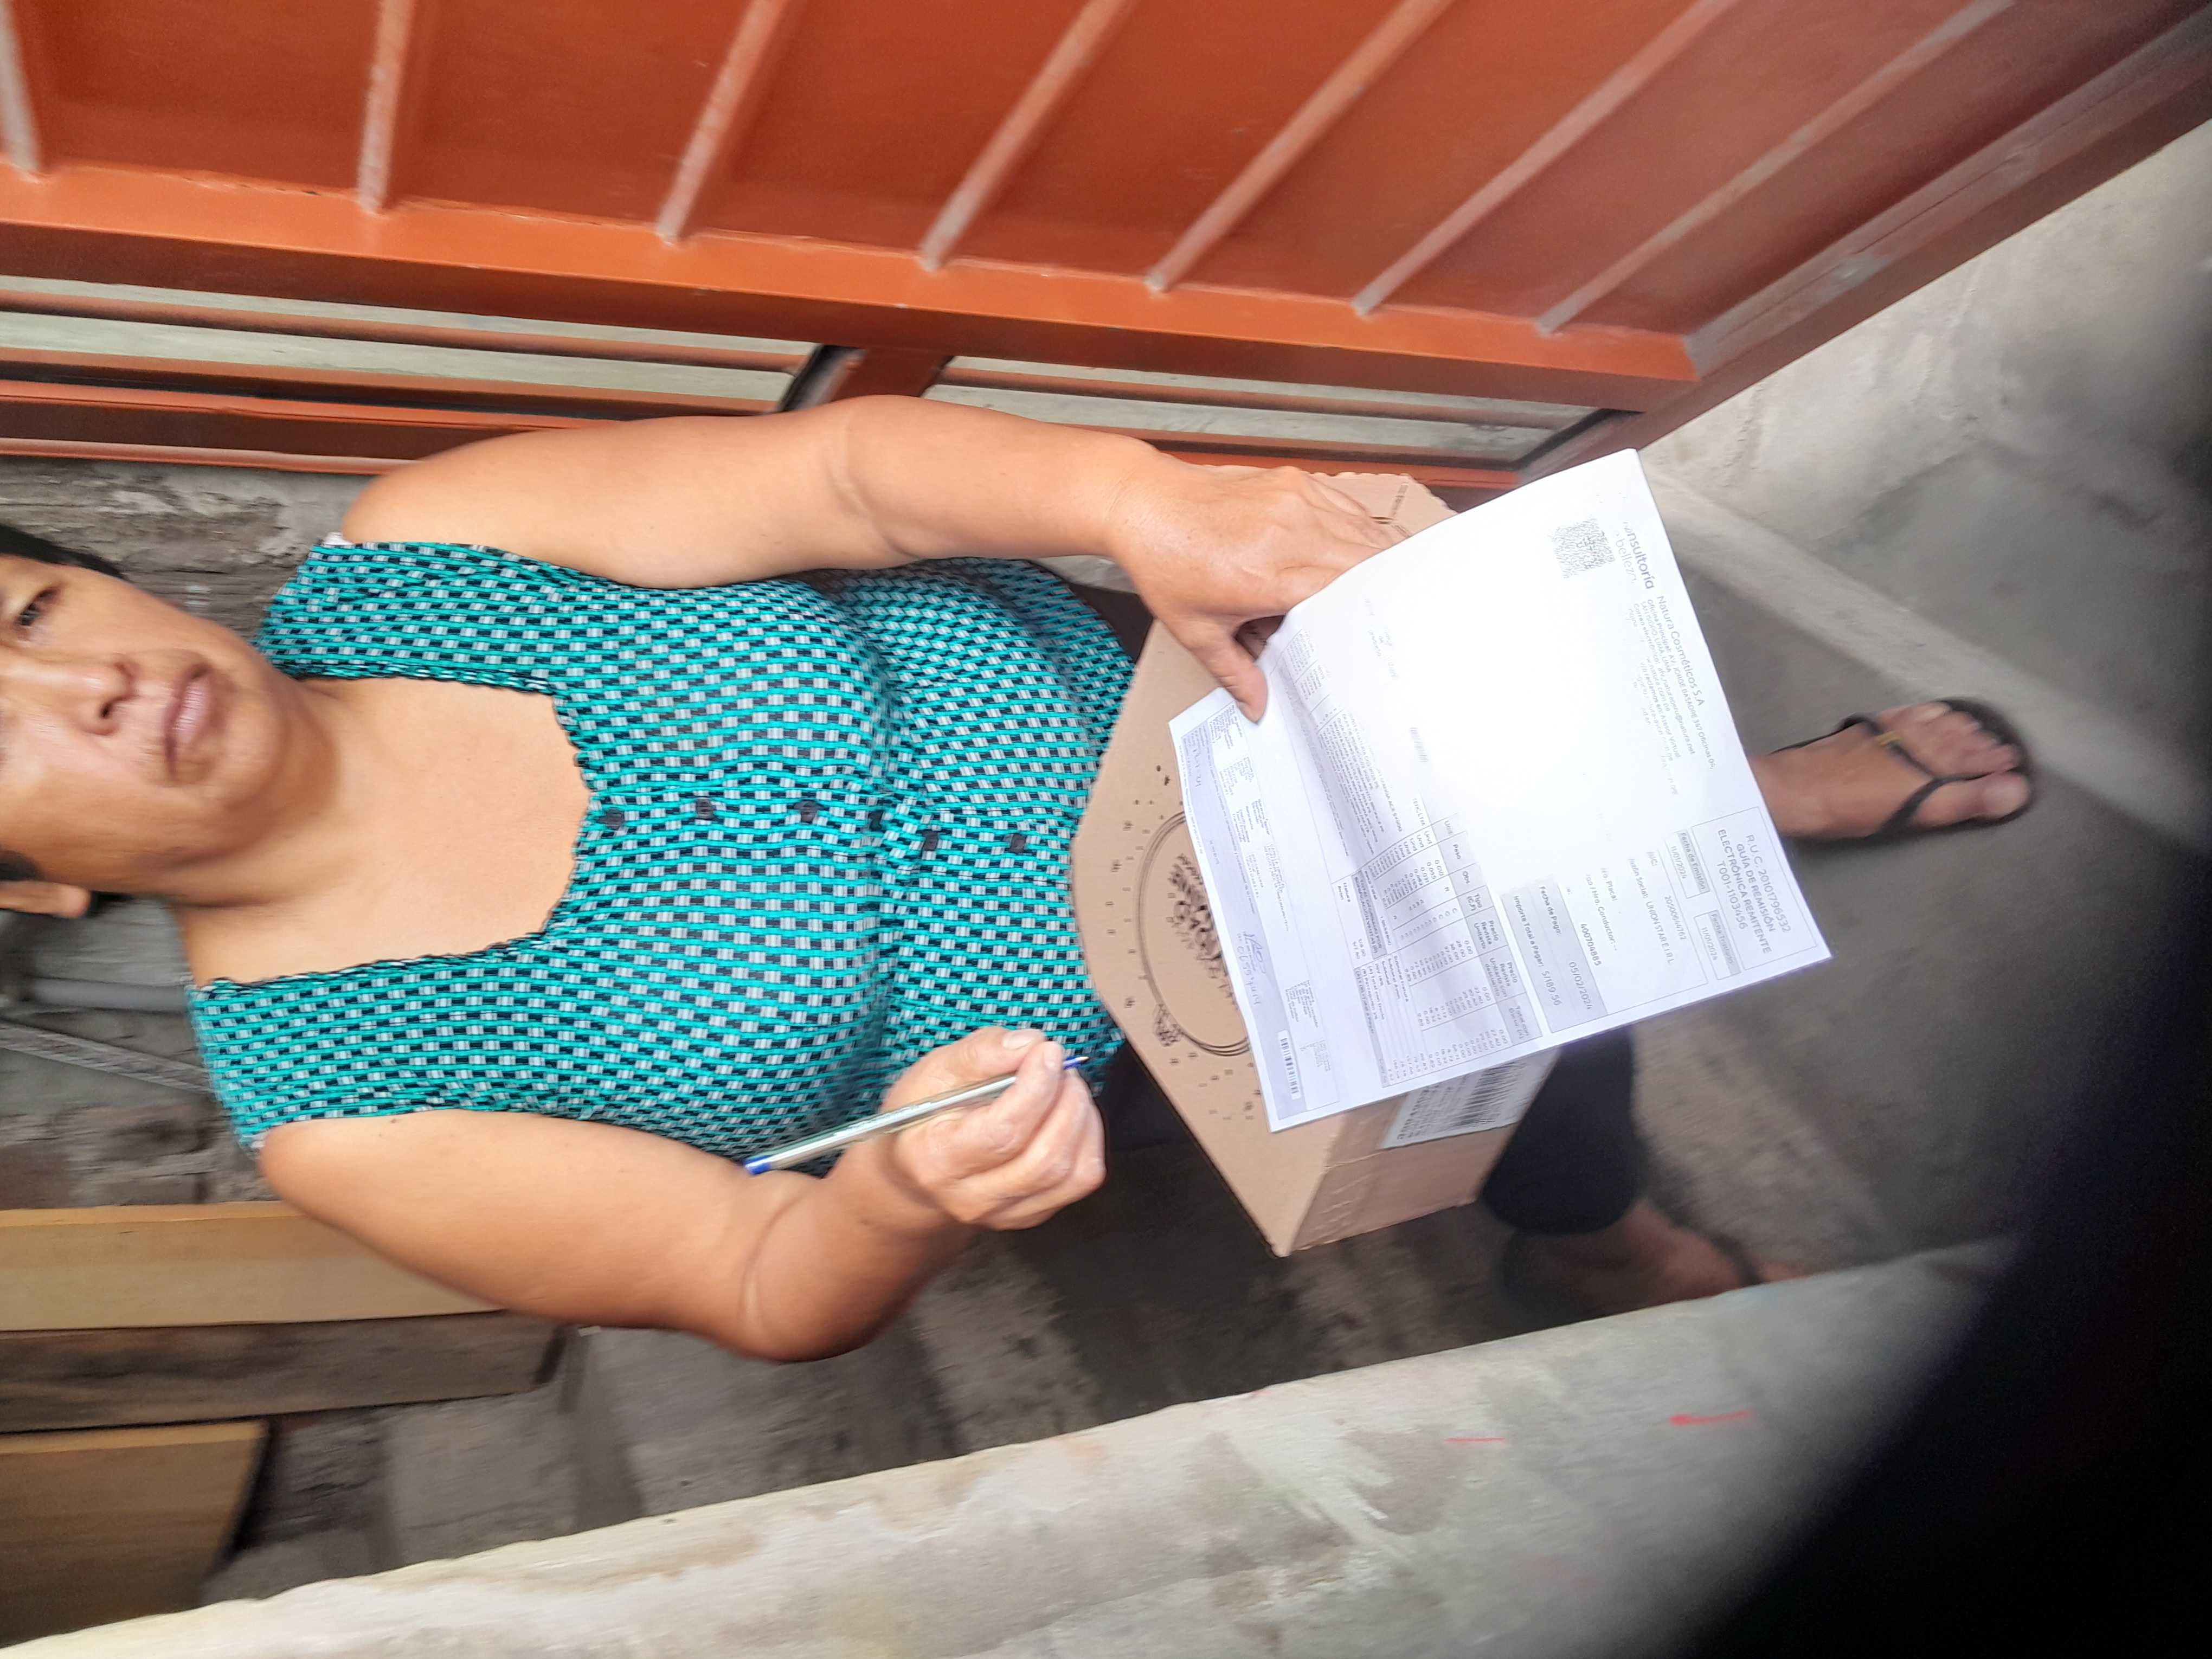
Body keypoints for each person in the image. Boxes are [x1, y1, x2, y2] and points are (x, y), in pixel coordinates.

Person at [0, 401, 2031, 1352]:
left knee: (1484, 752)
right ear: (26, 891)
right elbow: (751, 1275)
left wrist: (1142, 502)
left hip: (1187, 683)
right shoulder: (348, 1104)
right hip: (1186, 1019)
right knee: (1528, 1037)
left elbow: (840, 476)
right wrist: (893, 1197)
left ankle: (1736, 790)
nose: (82, 685)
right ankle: (1601, 1241)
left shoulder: (430, 547)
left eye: (27, 611)